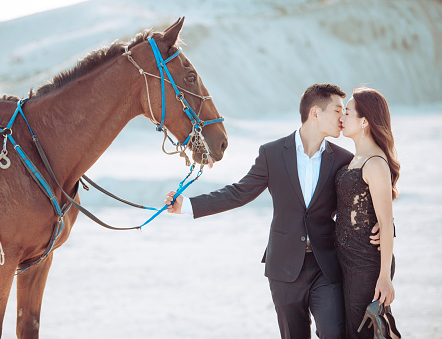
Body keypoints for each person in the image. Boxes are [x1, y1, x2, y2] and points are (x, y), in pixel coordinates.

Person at [166, 83, 380, 338]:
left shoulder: (343, 159)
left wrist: (381, 225)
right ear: (315, 113)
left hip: (326, 266)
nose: (342, 117)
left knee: (332, 332)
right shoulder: (273, 153)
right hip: (284, 268)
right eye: (337, 110)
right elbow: (239, 192)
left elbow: (361, 198)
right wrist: (187, 205)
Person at [336, 87, 400, 339]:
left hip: (366, 263)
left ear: (364, 121)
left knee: (363, 331)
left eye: (347, 113)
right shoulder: (355, 158)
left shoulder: (375, 162)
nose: (342, 118)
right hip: (346, 258)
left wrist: (384, 278)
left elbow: (385, 223)